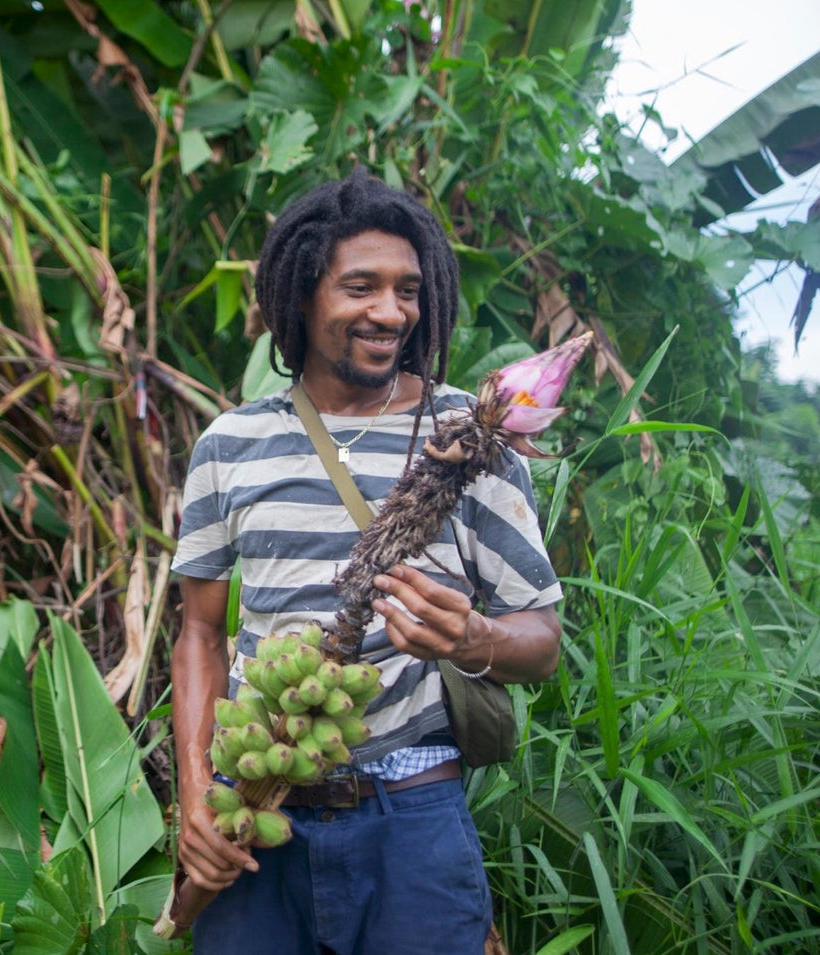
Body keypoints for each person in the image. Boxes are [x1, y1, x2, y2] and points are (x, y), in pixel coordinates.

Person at [169, 168, 563, 955]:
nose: (391, 312)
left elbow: (542, 640)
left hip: (410, 821)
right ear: (302, 293)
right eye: (361, 287)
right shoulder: (229, 445)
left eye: (408, 290)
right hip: (255, 814)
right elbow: (200, 635)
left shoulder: (471, 437)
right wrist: (194, 799)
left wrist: (470, 639)